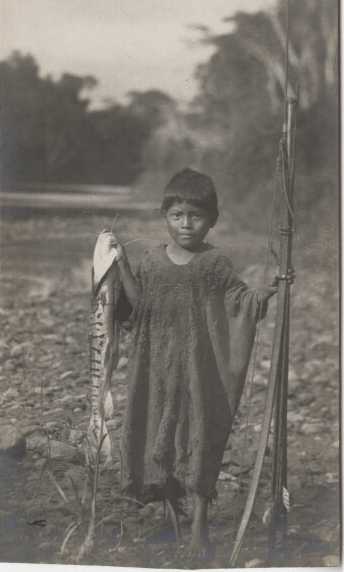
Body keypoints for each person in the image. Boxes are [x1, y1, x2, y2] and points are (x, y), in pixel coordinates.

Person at [100, 168, 293, 557]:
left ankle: (199, 530)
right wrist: (120, 264)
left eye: (196, 216)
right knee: (162, 437)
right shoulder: (152, 261)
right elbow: (139, 307)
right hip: (156, 369)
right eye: (177, 215)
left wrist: (264, 294)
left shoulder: (215, 263)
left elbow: (238, 302)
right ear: (164, 216)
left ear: (212, 220)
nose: (186, 224)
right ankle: (173, 520)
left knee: (198, 440)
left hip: (198, 371)